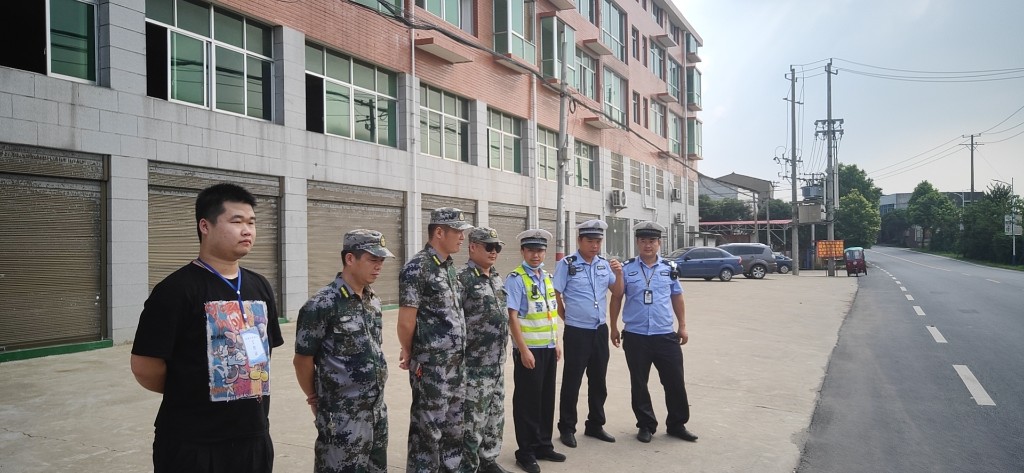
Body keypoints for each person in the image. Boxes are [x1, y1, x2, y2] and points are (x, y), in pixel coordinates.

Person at [130, 183, 284, 473]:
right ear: (205, 226)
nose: (247, 231)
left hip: (253, 437)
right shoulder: (176, 290)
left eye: (251, 222)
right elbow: (144, 366)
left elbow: (264, 354)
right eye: (236, 222)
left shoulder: (260, 285)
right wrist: (188, 387)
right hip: (193, 442)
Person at [293, 229, 395, 473]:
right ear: (350, 258)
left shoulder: (373, 300)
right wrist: (314, 397)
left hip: (376, 412)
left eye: (381, 261)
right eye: (373, 259)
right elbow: (302, 359)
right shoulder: (322, 304)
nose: (379, 266)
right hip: (341, 417)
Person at [397, 207, 473, 472]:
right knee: (427, 433)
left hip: (456, 364)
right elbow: (406, 321)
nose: (462, 237)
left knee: (454, 430)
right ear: (439, 232)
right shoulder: (418, 268)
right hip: (431, 367)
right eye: (458, 231)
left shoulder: (449, 267)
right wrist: (409, 351)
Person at [608, 221, 698, 444]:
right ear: (637, 243)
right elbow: (617, 297)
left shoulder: (670, 268)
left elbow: (677, 297)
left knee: (674, 381)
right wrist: (613, 327)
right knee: (639, 383)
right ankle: (646, 425)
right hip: (636, 335)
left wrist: (682, 326)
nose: (647, 245)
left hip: (665, 335)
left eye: (652, 241)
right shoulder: (626, 268)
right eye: (643, 241)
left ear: (659, 243)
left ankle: (677, 424)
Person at [553, 220, 623, 448]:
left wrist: (619, 274)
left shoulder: (604, 265)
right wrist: (566, 317)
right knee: (572, 381)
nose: (595, 246)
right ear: (579, 241)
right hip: (577, 332)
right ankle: (567, 428)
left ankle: (595, 424)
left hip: (599, 330)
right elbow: (555, 294)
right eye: (590, 241)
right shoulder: (567, 264)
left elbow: (617, 292)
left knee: (598, 381)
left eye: (598, 241)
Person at [505, 229, 566, 473]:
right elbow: (512, 316)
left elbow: (551, 313)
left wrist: (556, 342)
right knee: (527, 402)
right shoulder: (516, 278)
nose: (535, 255)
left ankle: (543, 445)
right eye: (531, 250)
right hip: (529, 350)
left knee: (545, 399)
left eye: (540, 250)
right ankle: (526, 451)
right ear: (523, 251)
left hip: (548, 348)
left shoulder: (547, 277)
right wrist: (523, 349)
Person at [458, 227, 512, 473]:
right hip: (474, 365)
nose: (494, 251)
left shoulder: (496, 278)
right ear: (472, 247)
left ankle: (488, 461)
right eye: (488, 246)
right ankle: (468, 466)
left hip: (497, 363)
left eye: (497, 247)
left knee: (494, 416)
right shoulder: (461, 279)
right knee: (472, 421)